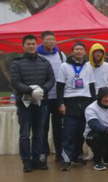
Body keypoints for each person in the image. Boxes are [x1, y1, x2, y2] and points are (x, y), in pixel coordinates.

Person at [11, 34, 55, 173]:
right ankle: (26, 161)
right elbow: (15, 81)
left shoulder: (44, 62)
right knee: (25, 134)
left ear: (37, 45)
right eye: (28, 44)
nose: (31, 46)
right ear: (23, 46)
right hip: (24, 105)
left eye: (33, 44)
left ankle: (37, 159)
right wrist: (30, 91)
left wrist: (43, 90)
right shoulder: (17, 63)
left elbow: (51, 79)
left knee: (39, 133)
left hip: (41, 104)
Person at [57, 41, 96, 171]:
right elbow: (60, 86)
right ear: (72, 52)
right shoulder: (64, 66)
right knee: (69, 132)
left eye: (81, 49)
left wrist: (94, 104)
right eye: (76, 49)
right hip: (70, 101)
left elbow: (91, 86)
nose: (79, 51)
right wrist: (61, 103)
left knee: (81, 131)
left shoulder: (88, 66)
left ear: (85, 52)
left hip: (85, 101)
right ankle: (66, 159)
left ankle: (77, 156)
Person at [37, 30, 65, 162]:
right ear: (42, 41)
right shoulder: (36, 55)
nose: (50, 42)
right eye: (48, 40)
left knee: (59, 128)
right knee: (43, 127)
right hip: (42, 97)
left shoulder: (61, 55)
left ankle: (60, 153)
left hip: (58, 98)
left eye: (52, 39)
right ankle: (43, 153)